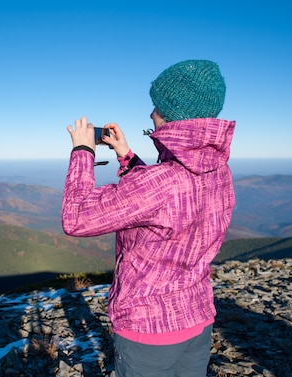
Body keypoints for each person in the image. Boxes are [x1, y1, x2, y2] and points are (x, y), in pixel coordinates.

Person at [62, 60, 236, 376]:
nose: (151, 114)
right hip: (197, 319)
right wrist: (126, 155)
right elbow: (166, 198)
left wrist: (83, 152)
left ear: (173, 115)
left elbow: (77, 217)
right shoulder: (220, 172)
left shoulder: (161, 183)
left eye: (156, 106)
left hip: (149, 330)